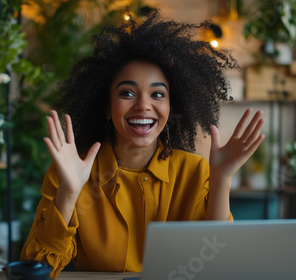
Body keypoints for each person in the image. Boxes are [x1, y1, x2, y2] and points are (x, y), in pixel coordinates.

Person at [21, 11, 265, 278]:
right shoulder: (71, 171)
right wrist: (68, 193)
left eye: (157, 94)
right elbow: (38, 269)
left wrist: (222, 181)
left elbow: (218, 264)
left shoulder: (194, 172)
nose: (143, 105)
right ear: (105, 106)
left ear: (172, 108)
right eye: (127, 93)